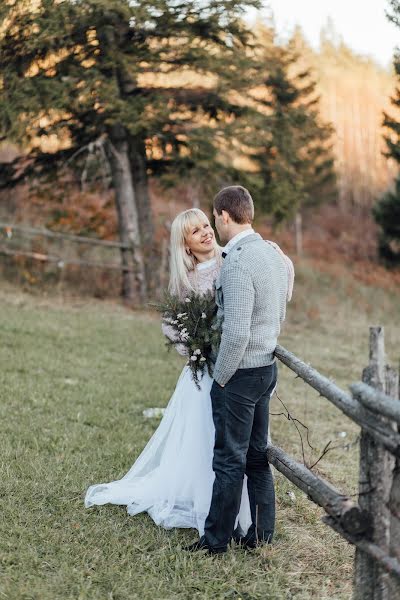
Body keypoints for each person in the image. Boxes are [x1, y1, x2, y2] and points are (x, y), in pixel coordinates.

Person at [84, 208, 252, 537]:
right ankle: (204, 498)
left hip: (236, 365)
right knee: (203, 437)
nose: (205, 232)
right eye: (195, 232)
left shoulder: (233, 259)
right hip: (204, 372)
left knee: (235, 438)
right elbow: (172, 325)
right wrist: (195, 350)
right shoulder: (186, 281)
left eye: (206, 225)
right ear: (186, 245)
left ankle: (239, 503)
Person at [185, 186, 292, 555]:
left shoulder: (239, 261)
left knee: (230, 460)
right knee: (256, 456)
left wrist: (221, 378)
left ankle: (215, 541)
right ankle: (260, 536)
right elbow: (286, 292)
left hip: (242, 373)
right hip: (267, 369)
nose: (215, 224)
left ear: (224, 216)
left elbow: (236, 332)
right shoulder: (272, 253)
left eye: (215, 218)